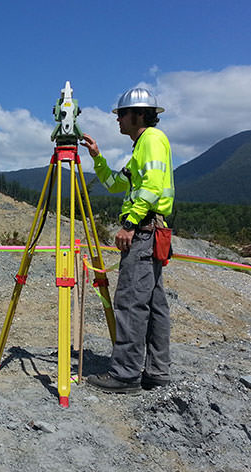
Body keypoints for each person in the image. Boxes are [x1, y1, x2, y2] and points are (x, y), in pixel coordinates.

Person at [79, 87, 174, 393]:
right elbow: (115, 184)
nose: (118, 119)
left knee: (131, 303)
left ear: (139, 115)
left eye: (122, 114)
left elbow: (151, 187)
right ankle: (156, 370)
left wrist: (131, 223)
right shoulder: (140, 147)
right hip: (151, 232)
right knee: (154, 303)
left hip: (144, 232)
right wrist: (97, 158)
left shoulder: (152, 141)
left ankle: (125, 374)